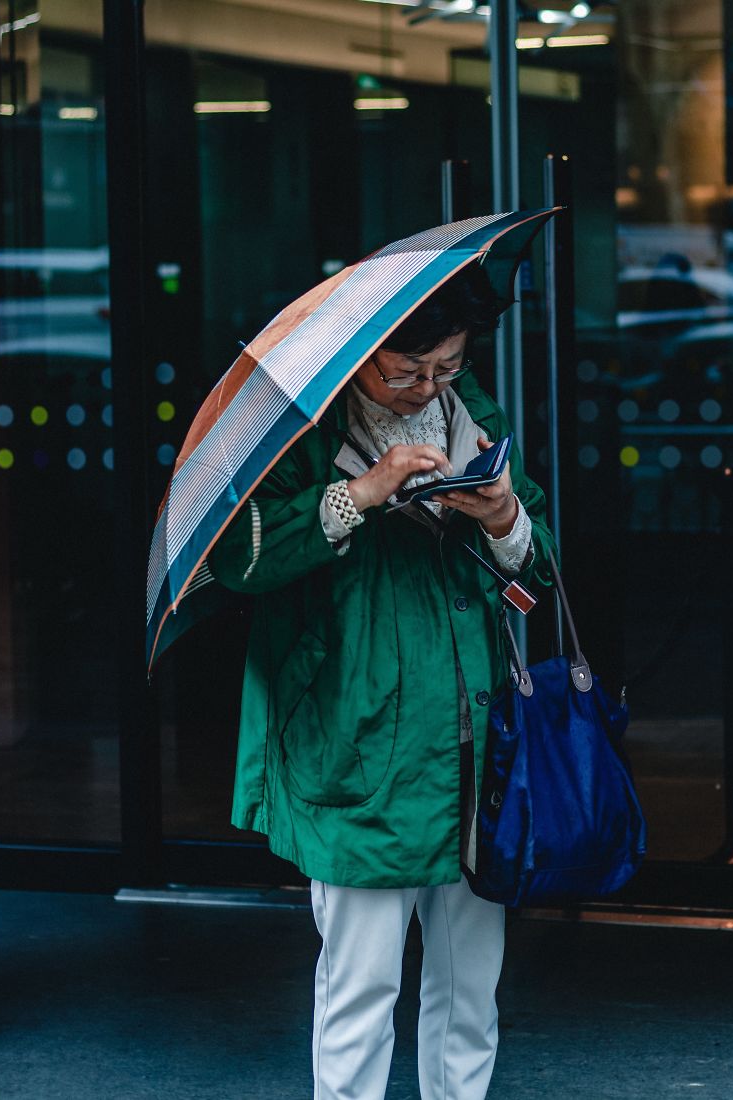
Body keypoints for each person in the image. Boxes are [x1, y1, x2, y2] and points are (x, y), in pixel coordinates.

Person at [208, 263, 557, 1100]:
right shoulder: (294, 433)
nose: (425, 387)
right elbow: (239, 559)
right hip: (354, 737)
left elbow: (538, 561)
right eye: (404, 370)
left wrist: (504, 513)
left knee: (471, 986)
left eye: (446, 367)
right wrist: (361, 493)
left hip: (474, 737)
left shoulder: (474, 417)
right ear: (361, 354)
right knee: (362, 984)